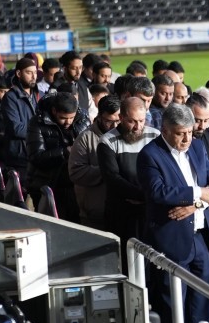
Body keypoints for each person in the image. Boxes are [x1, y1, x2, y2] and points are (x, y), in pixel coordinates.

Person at [137, 103, 209, 323]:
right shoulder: (150, 155)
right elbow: (159, 192)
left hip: (201, 243)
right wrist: (198, 194)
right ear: (164, 130)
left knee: (201, 311)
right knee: (174, 312)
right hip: (172, 244)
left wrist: (195, 204)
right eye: (179, 133)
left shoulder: (197, 147)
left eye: (189, 132)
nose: (186, 138)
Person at [98, 97, 160, 249]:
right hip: (122, 214)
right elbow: (112, 179)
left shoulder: (155, 136)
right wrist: (143, 195)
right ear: (121, 118)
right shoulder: (107, 141)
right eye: (132, 121)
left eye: (141, 121)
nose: (137, 127)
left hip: (151, 211)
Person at [26, 92, 89, 219]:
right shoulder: (38, 122)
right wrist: (66, 152)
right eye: (63, 118)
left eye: (71, 118)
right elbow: (36, 156)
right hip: (47, 183)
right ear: (54, 111)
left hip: (75, 185)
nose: (68, 122)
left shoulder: (83, 120)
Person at [69, 95, 121, 229]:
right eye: (109, 121)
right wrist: (107, 170)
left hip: (122, 211)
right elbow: (76, 172)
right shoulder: (85, 138)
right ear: (99, 117)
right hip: (95, 214)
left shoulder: (125, 136)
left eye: (118, 120)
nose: (114, 126)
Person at [2, 58, 40, 184]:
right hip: (19, 156)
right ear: (19, 74)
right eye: (29, 73)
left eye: (35, 73)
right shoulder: (11, 97)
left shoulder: (37, 94)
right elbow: (16, 129)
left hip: (36, 154)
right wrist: (39, 132)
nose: (33, 76)